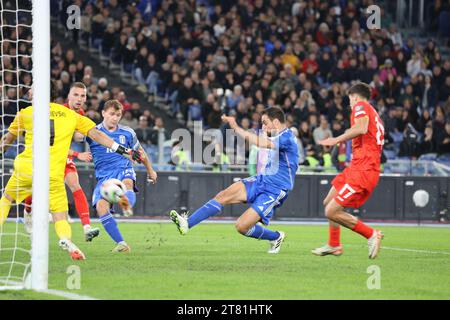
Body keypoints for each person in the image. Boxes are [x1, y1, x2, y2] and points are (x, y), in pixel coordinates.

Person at [0, 84, 144, 260]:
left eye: (32, 89)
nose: (29, 92)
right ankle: (67, 241)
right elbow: (97, 135)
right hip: (53, 172)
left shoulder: (25, 113)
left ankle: (31, 211)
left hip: (26, 167)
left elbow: (6, 141)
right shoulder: (70, 115)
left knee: (7, 199)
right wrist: (125, 150)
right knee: (60, 215)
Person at [169, 107, 299, 254]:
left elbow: (261, 143)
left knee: (242, 226)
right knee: (222, 196)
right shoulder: (276, 136)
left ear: (276, 122)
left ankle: (276, 237)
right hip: (261, 181)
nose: (263, 127)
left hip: (275, 190)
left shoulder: (287, 137)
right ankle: (187, 223)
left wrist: (236, 127)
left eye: (265, 123)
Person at [312, 82, 385, 259]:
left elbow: (361, 128)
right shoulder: (373, 113)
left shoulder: (361, 106)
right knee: (328, 201)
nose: (350, 104)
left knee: (331, 210)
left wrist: (336, 139)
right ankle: (334, 245)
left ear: (355, 97)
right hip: (357, 166)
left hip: (363, 168)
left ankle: (371, 234)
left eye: (349, 100)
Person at [24, 83, 100, 241]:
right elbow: (51, 143)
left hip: (64, 156)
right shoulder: (58, 112)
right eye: (76, 95)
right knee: (35, 188)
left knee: (75, 185)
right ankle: (28, 210)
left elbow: (78, 136)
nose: (79, 99)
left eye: (83, 96)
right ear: (69, 97)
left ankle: (86, 227)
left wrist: (90, 133)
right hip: (49, 155)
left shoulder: (80, 113)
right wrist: (78, 154)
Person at [86, 100, 157, 253]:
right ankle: (122, 244)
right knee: (101, 207)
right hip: (104, 176)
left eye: (118, 115)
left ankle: (126, 205)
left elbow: (140, 153)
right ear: (103, 113)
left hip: (122, 168)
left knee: (127, 184)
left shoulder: (128, 132)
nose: (115, 118)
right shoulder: (93, 132)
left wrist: (150, 170)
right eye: (112, 114)